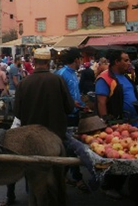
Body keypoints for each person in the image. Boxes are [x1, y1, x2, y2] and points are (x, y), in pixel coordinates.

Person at [1, 48, 75, 206]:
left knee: (33, 174)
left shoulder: (23, 83)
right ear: (49, 63)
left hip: (32, 139)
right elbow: (69, 108)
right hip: (56, 137)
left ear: (34, 63)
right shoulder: (58, 80)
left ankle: (33, 197)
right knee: (57, 174)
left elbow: (18, 113)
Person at [95, 49, 138, 199]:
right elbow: (101, 103)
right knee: (120, 158)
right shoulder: (105, 78)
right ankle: (109, 185)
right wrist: (107, 124)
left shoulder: (126, 77)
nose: (129, 63)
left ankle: (124, 184)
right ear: (116, 62)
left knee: (131, 155)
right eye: (125, 60)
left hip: (133, 123)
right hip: (117, 125)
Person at [56, 48, 90, 194]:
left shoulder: (72, 74)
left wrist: (81, 104)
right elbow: (59, 97)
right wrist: (73, 104)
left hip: (75, 115)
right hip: (66, 117)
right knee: (72, 147)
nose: (81, 61)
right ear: (76, 59)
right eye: (80, 59)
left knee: (71, 147)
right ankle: (76, 178)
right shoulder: (62, 74)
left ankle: (63, 177)